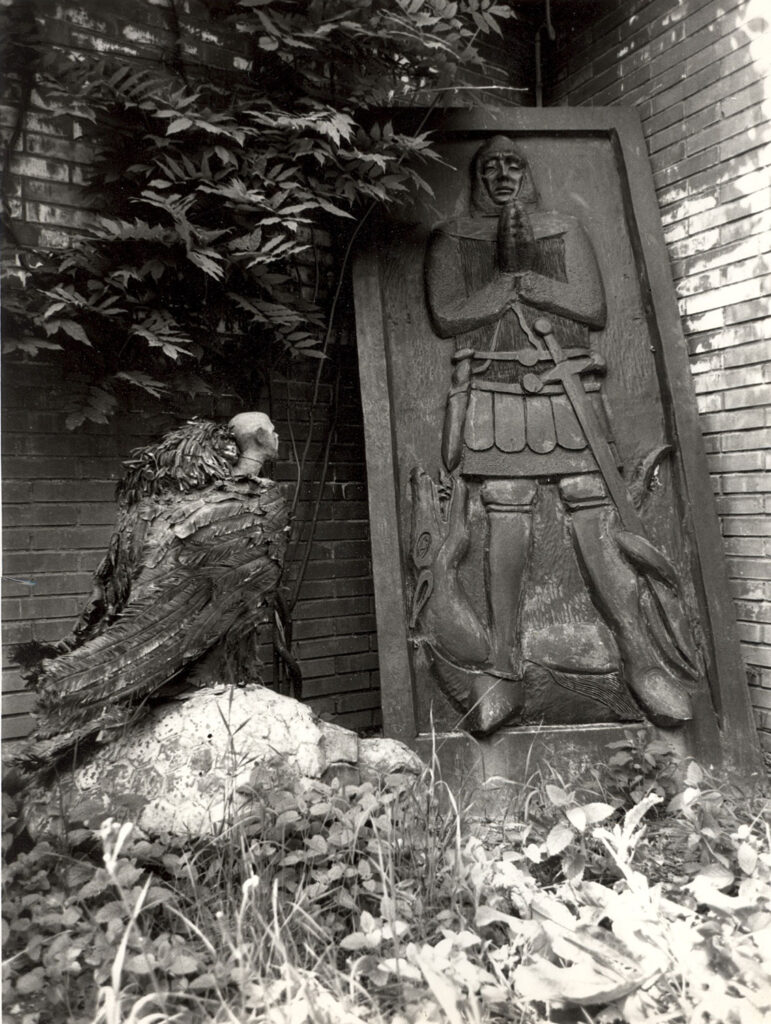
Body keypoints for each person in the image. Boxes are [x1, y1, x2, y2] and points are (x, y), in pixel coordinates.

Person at [423, 135, 694, 728]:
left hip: (567, 385)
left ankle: (640, 659)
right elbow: (447, 315)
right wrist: (507, 277)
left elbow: (592, 306)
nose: (502, 175)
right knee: (506, 509)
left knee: (593, 510)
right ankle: (504, 668)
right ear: (476, 177)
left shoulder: (564, 227)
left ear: (527, 172)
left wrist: (525, 277)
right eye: (489, 166)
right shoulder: (452, 238)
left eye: (512, 164)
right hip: (494, 389)